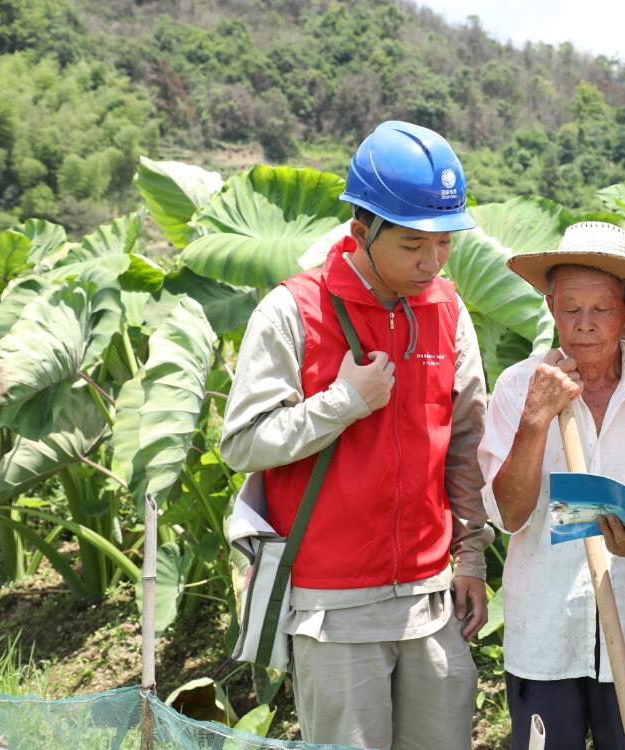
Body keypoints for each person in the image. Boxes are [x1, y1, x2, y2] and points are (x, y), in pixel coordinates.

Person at [220, 120, 493, 750]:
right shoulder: (294, 310)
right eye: (411, 245)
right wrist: (342, 403)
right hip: (332, 607)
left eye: (444, 243)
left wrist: (470, 555)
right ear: (360, 230)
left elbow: (466, 444)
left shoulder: (447, 310)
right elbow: (242, 443)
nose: (431, 262)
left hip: (430, 600)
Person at [478, 221, 625, 750]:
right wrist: (535, 420)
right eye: (570, 308)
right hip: (547, 634)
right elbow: (508, 513)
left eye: (600, 310)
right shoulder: (516, 387)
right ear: (551, 307)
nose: (584, 325)